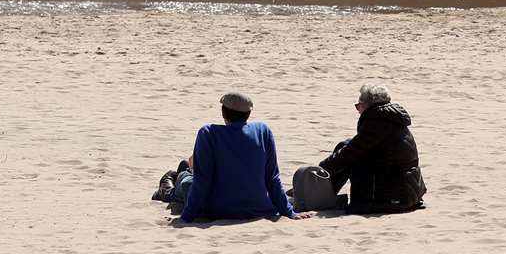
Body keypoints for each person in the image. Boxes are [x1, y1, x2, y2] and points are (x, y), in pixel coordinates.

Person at [175, 91, 303, 222]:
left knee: (185, 181)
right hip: (259, 208)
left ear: (223, 112)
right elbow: (273, 178)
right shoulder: (263, 131)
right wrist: (288, 212)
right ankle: (185, 170)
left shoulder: (208, 133)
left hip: (217, 210)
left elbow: (202, 181)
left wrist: (186, 217)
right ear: (248, 114)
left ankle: (173, 183)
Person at [318, 83, 426, 214]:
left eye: (358, 106)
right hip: (410, 193)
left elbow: (349, 153)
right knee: (346, 146)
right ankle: (323, 192)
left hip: (395, 197)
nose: (358, 110)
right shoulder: (391, 118)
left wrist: (320, 170)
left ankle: (319, 194)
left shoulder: (376, 121)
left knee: (349, 154)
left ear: (366, 105)